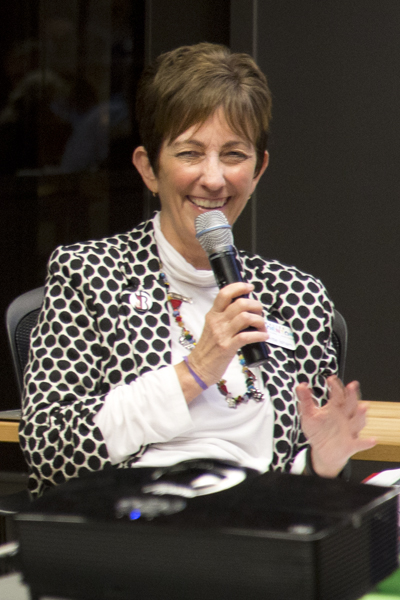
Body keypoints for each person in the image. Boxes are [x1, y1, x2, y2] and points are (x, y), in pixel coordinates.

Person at [19, 42, 375, 497]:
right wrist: (196, 369)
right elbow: (51, 452)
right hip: (137, 527)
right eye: (190, 153)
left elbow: (302, 484)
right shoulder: (89, 274)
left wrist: (323, 463)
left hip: (258, 533)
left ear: (259, 169)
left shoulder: (296, 296)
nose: (213, 178)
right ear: (149, 168)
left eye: (233, 155)